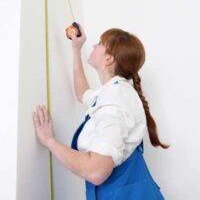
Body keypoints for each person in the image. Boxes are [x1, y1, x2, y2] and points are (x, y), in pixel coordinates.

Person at [32, 23, 169, 199]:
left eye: (99, 43)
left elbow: (96, 171)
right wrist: (76, 49)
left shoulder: (115, 99)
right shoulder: (115, 91)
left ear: (108, 59)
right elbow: (83, 94)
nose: (94, 46)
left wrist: (50, 141)